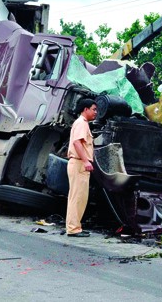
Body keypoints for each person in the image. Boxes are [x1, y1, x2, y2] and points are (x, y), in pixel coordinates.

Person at [66, 98, 97, 237]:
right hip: (79, 164)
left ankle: (74, 226)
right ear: (85, 109)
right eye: (94, 109)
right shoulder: (82, 123)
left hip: (78, 164)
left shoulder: (81, 123)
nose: (96, 112)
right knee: (77, 197)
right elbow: (77, 143)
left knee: (78, 197)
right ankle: (73, 229)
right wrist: (86, 161)